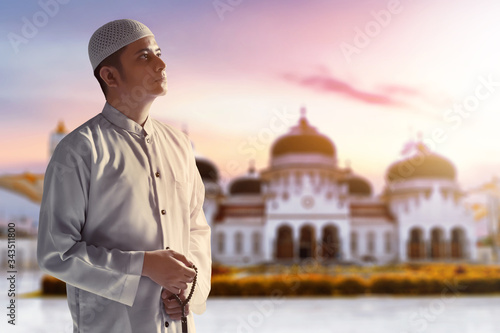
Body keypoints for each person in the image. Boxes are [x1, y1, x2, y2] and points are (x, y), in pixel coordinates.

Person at [37, 19, 211, 333]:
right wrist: (144, 265)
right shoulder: (80, 150)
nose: (161, 64)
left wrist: (189, 287)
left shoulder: (179, 146)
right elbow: (57, 251)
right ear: (110, 75)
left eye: (158, 53)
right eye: (145, 56)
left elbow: (196, 228)